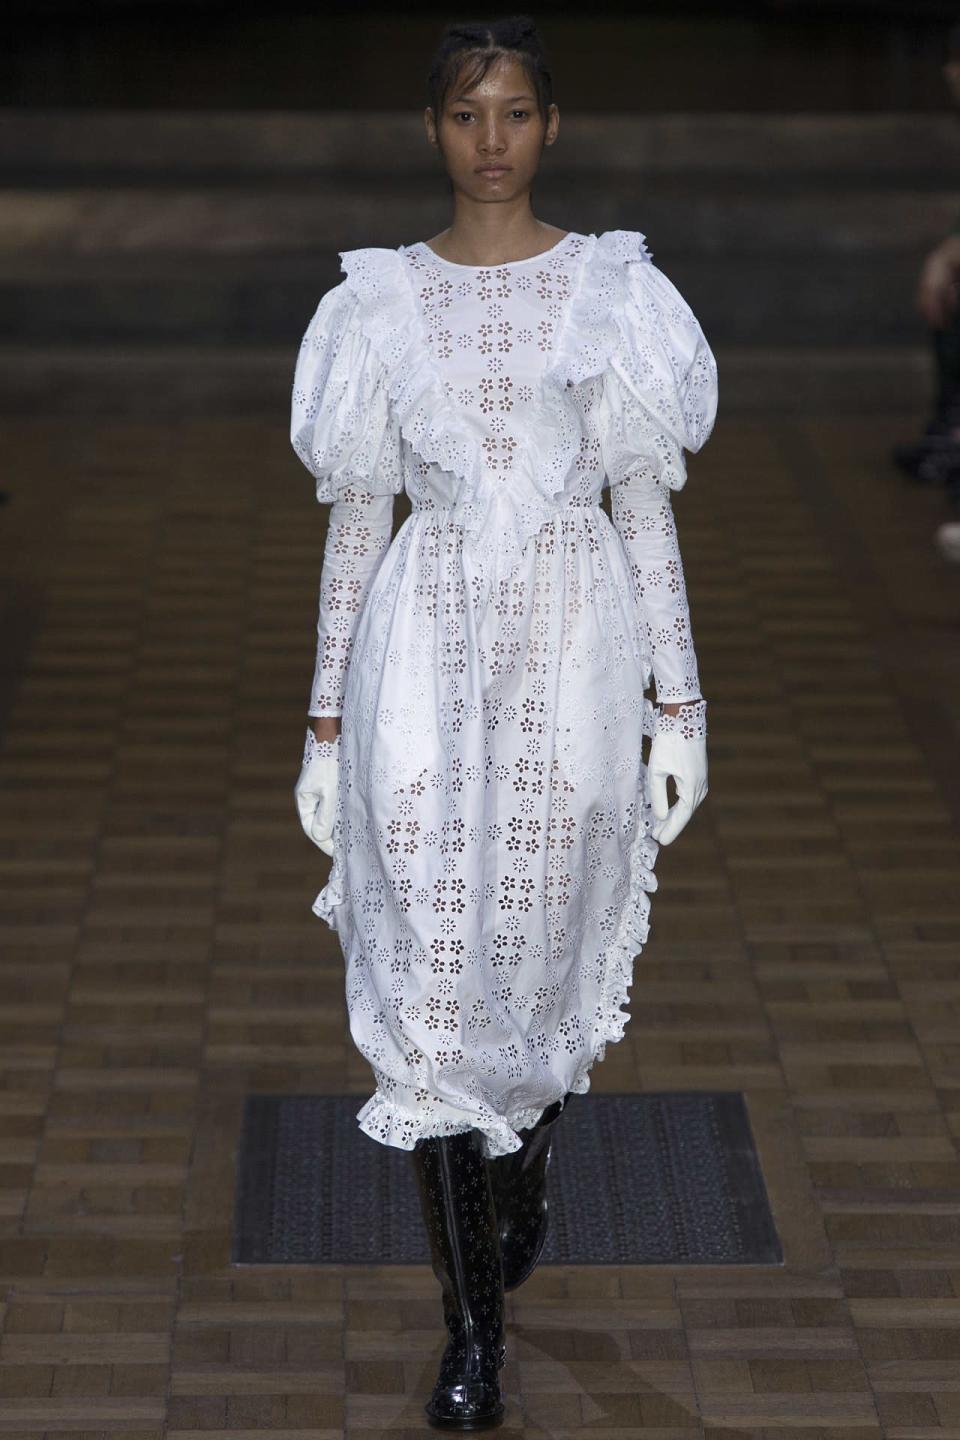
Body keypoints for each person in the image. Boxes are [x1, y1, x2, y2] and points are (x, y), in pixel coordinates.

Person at [291, 14, 718, 1430]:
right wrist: (324, 727)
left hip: (573, 650)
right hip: (420, 649)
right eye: (468, 114)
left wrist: (681, 706)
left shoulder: (612, 292)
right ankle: (472, 1333)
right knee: (423, 975)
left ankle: (524, 1151)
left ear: (551, 126)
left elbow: (642, 503)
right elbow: (358, 523)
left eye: (516, 113)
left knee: (531, 959)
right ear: (433, 130)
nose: (492, 141)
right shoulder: (375, 305)